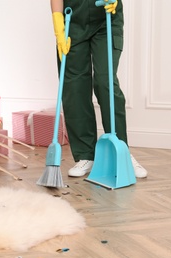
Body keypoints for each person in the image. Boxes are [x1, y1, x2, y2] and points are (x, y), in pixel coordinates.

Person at [50, 0, 147, 178]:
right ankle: (86, 156)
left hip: (106, 14)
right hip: (73, 17)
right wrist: (58, 23)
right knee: (75, 87)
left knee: (105, 82)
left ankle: (121, 152)